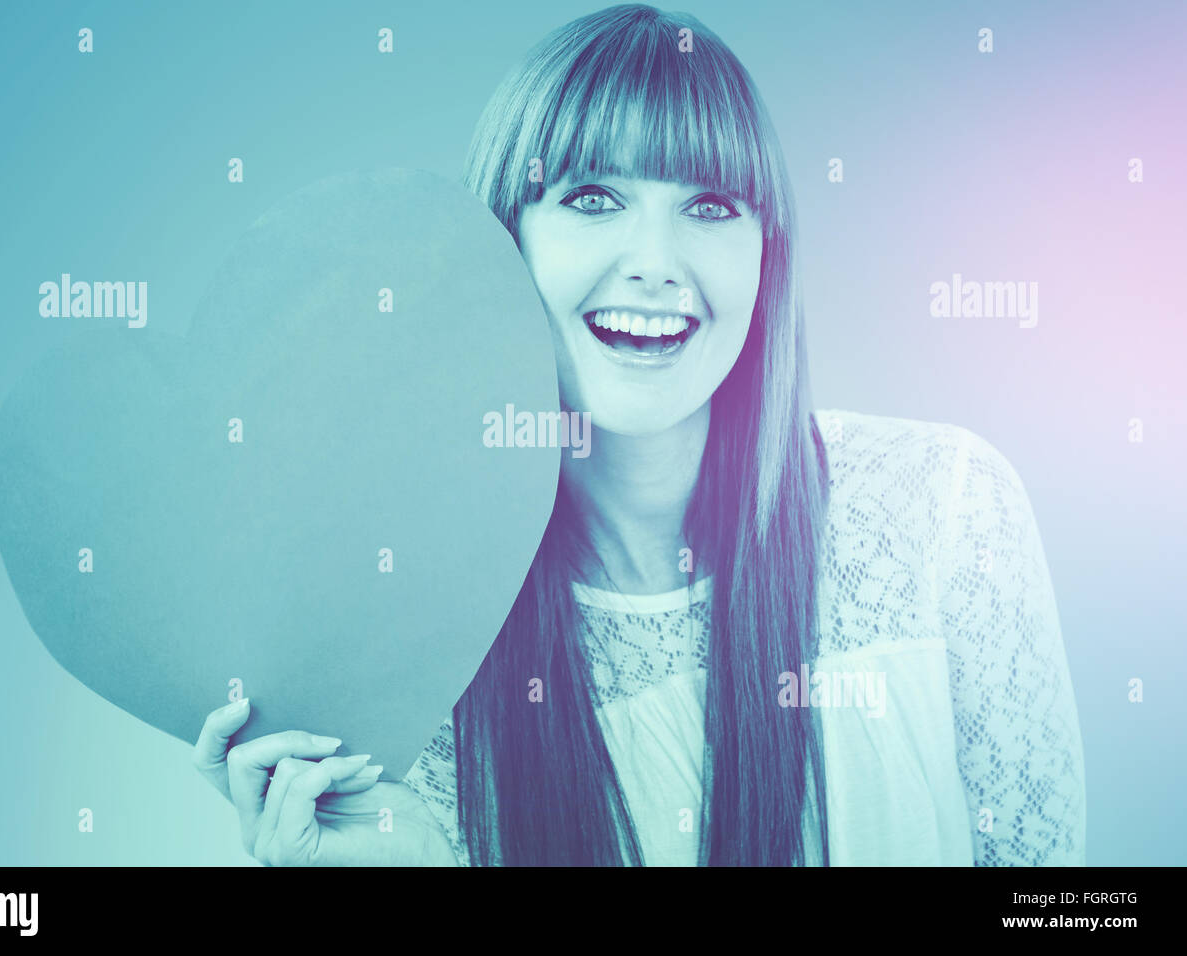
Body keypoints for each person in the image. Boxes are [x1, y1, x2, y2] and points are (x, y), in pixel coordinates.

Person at [193, 3, 1085, 866]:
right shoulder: (424, 665)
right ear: (500, 241)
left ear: (767, 252)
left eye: (709, 207)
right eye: (591, 198)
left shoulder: (943, 508)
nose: (655, 263)